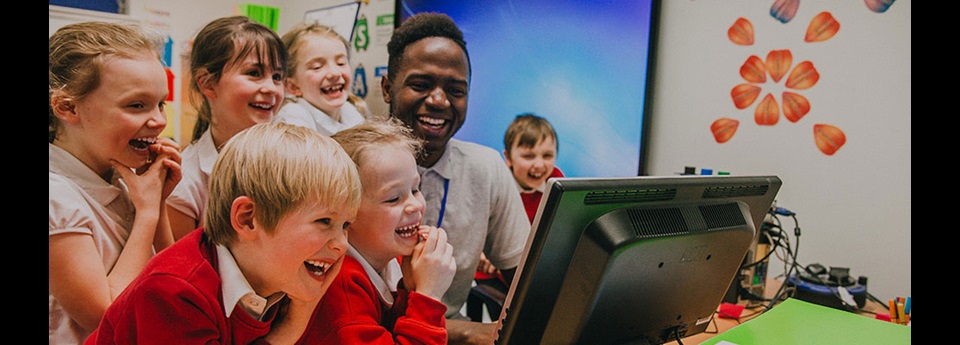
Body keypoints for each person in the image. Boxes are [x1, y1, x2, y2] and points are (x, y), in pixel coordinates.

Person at [85, 122, 362, 344]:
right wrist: (294, 324)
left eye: (346, 226)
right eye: (324, 221)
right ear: (248, 219)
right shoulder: (174, 292)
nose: (341, 245)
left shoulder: (284, 276)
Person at [380, 13, 531, 344]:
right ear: (387, 88)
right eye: (420, 85)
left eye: (456, 89)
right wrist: (468, 333)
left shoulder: (487, 167)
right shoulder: (345, 163)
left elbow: (527, 281)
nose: (438, 100)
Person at [49, 21, 182, 345]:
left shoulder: (118, 173)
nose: (159, 120)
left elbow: (173, 278)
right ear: (68, 107)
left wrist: (158, 201)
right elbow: (106, 316)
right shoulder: (56, 197)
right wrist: (148, 212)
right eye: (136, 105)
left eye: (160, 103)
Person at [300, 118, 457, 344]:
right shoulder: (341, 288)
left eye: (415, 188)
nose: (414, 205)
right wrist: (428, 296)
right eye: (394, 198)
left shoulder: (387, 262)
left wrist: (410, 290)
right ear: (346, 214)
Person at [166, 15, 287, 241]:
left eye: (277, 76)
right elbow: (182, 270)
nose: (271, 88)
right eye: (254, 73)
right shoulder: (185, 183)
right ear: (208, 83)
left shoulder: (294, 157)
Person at [275, 22, 370, 136]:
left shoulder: (349, 110)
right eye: (317, 67)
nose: (334, 73)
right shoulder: (292, 118)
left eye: (341, 63)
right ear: (293, 86)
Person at [502, 113, 565, 223]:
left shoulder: (556, 180)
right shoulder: (500, 185)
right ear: (508, 158)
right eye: (528, 156)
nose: (539, 165)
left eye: (547, 156)